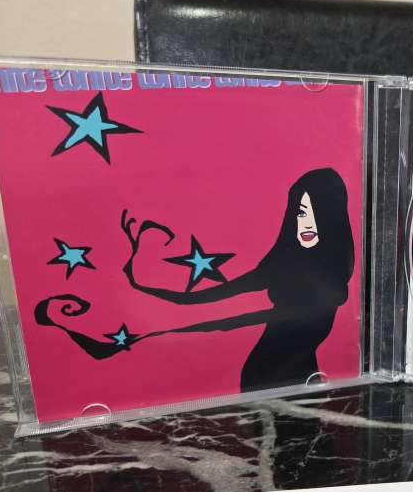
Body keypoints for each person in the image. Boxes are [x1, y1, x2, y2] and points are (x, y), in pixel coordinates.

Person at [35, 168, 355, 392]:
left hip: (302, 378)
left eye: (314, 212)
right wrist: (143, 287)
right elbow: (209, 296)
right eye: (300, 212)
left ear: (331, 215)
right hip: (264, 376)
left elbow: (261, 316)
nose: (306, 223)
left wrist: (184, 326)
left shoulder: (333, 276)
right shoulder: (279, 263)